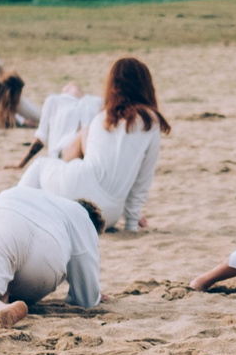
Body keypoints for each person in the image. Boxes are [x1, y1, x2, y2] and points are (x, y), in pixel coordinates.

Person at [19, 56, 168, 232]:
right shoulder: (151, 122)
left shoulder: (103, 118)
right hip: (109, 214)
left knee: (40, 165)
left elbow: (94, 166)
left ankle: (14, 208)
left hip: (79, 191)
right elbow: (142, 180)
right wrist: (131, 224)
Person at [0, 185, 104, 327]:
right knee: (15, 285)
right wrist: (94, 293)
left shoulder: (42, 197)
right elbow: (87, 298)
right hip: (47, 247)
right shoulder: (83, 216)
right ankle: (0, 307)